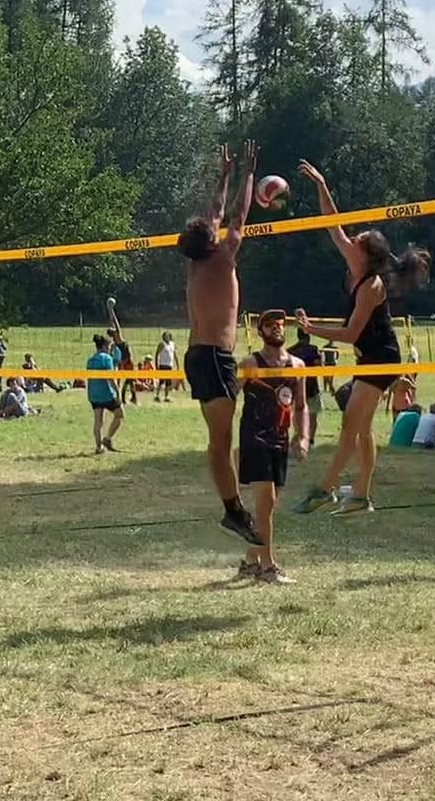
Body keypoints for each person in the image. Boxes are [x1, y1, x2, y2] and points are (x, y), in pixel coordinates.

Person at [291, 159, 431, 518]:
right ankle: (361, 497)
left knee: (350, 428)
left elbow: (351, 333)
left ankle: (324, 490)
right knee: (363, 429)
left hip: (381, 359)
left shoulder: (372, 286)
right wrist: (321, 183)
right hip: (369, 357)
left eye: (358, 240)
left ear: (366, 255)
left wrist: (311, 329)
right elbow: (332, 222)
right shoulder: (354, 266)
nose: (350, 238)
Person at [179, 141, 263, 545]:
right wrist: (248, 174)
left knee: (220, 441)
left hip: (199, 356)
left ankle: (234, 508)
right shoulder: (222, 256)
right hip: (214, 357)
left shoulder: (195, 262)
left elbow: (216, 211)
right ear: (211, 239)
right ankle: (233, 511)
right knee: (220, 442)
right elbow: (238, 215)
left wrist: (226, 174)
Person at [234, 310, 303, 585]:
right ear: (260, 331)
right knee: (265, 503)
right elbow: (230, 394)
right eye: (270, 325)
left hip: (280, 439)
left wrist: (303, 436)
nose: (277, 328)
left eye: (280, 324)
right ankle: (268, 567)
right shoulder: (251, 363)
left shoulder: (297, 365)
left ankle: (250, 561)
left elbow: (301, 406)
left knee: (269, 507)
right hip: (255, 438)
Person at [287, 327, 322, 459]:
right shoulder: (313, 349)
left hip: (296, 388)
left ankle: (298, 441)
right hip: (312, 388)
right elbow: (319, 366)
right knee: (312, 417)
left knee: (298, 417)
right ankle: (309, 441)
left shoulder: (290, 350)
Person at [86, 334, 123, 453]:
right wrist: (118, 393)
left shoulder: (90, 360)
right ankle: (107, 438)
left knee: (98, 421)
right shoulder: (107, 358)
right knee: (120, 415)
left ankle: (99, 447)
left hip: (93, 394)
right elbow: (111, 379)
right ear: (104, 346)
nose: (110, 348)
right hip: (106, 394)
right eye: (109, 346)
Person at [105, 299, 138, 406]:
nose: (115, 329)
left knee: (129, 380)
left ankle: (130, 398)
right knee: (127, 380)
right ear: (113, 333)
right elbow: (115, 322)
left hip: (124, 361)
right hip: (125, 361)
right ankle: (123, 398)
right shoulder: (118, 337)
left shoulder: (116, 339)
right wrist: (112, 310)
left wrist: (110, 310)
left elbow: (112, 321)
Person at [154, 332, 178, 402]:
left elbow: (174, 354)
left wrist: (177, 364)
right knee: (161, 381)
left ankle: (166, 396)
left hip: (169, 365)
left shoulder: (172, 344)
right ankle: (157, 395)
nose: (167, 337)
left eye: (168, 336)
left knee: (168, 382)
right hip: (163, 365)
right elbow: (157, 354)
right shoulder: (162, 344)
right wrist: (156, 365)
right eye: (166, 336)